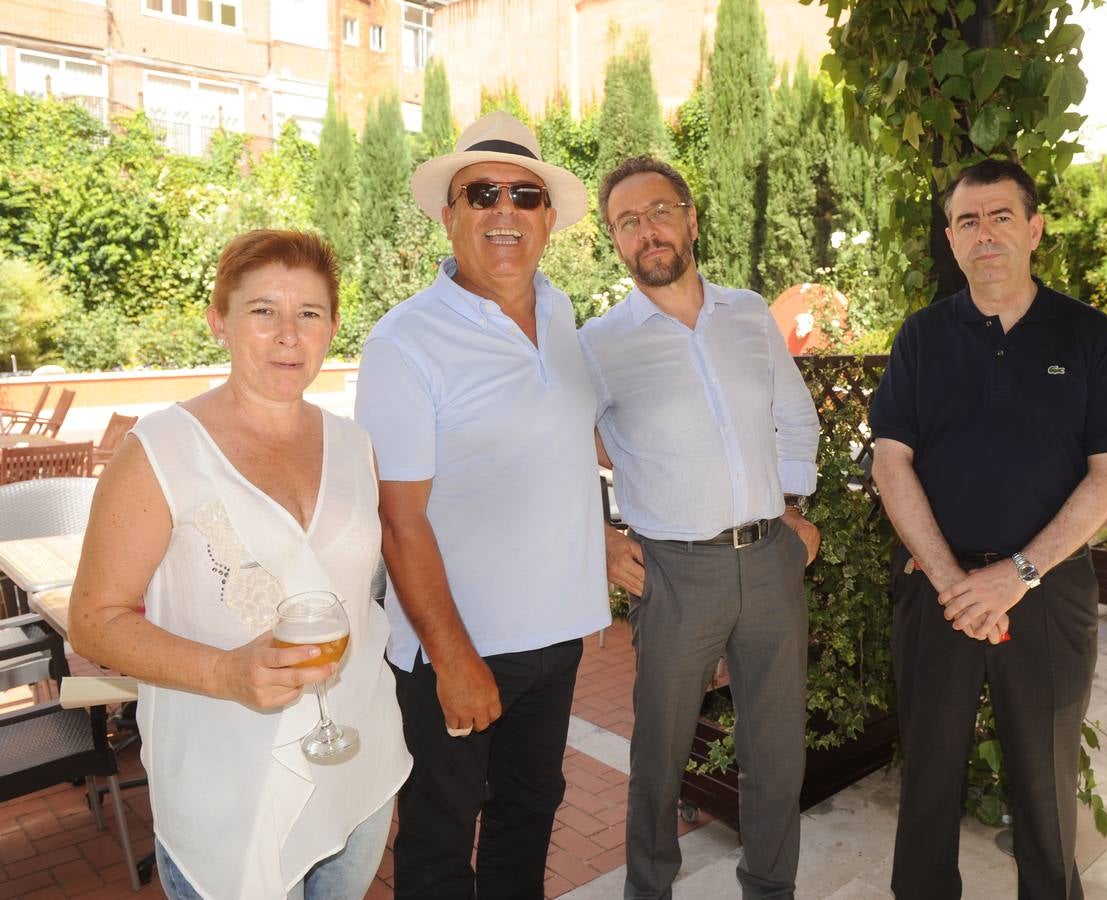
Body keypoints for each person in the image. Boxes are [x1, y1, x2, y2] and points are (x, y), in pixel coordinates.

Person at [68, 230, 411, 900]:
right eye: (263, 311)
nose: (288, 335)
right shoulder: (160, 450)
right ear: (218, 320)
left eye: (308, 313)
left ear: (332, 327)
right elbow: (93, 622)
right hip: (225, 788)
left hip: (358, 767)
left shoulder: (354, 445)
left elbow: (359, 595)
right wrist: (225, 671)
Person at [870, 158, 1107, 899]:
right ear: (951, 239)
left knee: (1045, 784)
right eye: (966, 220)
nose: (982, 233)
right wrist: (953, 580)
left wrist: (1016, 575)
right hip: (937, 592)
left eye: (998, 216)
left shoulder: (1086, 335)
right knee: (927, 776)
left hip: (1048, 593)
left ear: (1033, 228)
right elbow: (890, 463)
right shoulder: (922, 338)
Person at [354, 111, 611, 899]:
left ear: (548, 218)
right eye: (482, 193)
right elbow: (398, 522)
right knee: (438, 839)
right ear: (450, 215)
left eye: (524, 195)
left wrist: (604, 545)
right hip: (458, 649)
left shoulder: (563, 312)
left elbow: (566, 449)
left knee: (528, 813)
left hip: (555, 637)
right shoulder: (405, 343)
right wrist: (454, 658)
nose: (505, 210)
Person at [579, 156, 821, 900]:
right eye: (626, 222)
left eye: (657, 212)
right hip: (674, 573)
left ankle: (769, 889)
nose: (645, 231)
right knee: (659, 758)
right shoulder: (599, 343)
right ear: (614, 242)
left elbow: (794, 416)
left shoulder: (747, 313)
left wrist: (792, 513)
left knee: (776, 752)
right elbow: (557, 449)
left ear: (688, 217)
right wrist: (603, 537)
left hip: (769, 561)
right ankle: (647, 893)